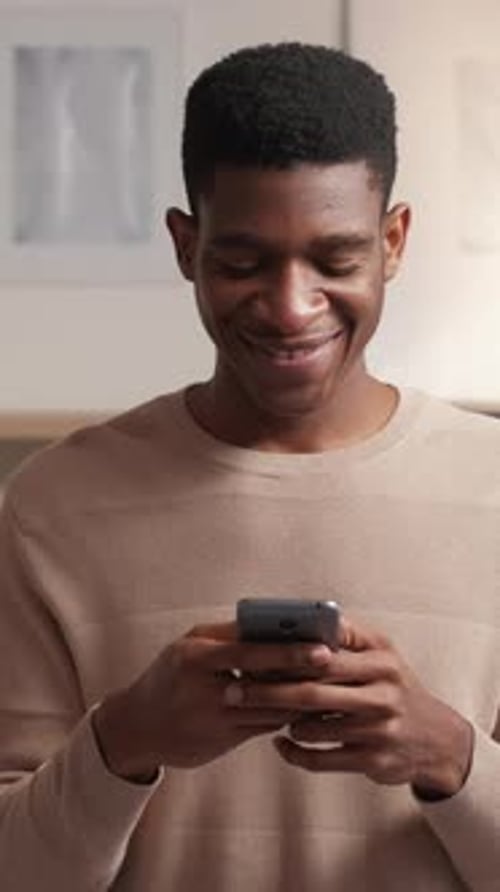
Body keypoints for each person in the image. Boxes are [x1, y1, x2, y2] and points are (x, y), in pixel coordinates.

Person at [0, 41, 499, 892]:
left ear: (394, 241)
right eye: (242, 263)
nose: (290, 307)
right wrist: (123, 743)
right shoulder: (50, 506)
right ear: (184, 245)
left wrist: (449, 756)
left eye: (336, 261)